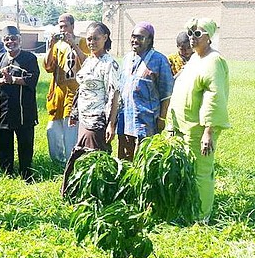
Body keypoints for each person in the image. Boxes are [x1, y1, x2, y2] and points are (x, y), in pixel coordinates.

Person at [166, 18, 230, 222]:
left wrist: (208, 132)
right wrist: (171, 124)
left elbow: (215, 97)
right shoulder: (195, 59)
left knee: (200, 174)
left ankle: (201, 217)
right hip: (182, 127)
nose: (192, 38)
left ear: (209, 38)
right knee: (184, 172)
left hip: (199, 131)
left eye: (197, 34)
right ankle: (186, 209)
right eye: (190, 33)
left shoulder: (214, 61)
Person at [62, 22, 120, 194]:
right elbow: (85, 65)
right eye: (88, 39)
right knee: (83, 158)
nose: (92, 42)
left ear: (105, 38)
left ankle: (97, 195)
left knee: (95, 159)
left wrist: (111, 124)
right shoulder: (91, 60)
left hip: (97, 120)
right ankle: (80, 193)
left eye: (95, 38)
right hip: (84, 119)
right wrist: (75, 113)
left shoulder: (110, 64)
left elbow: (114, 95)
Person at [0, 26, 40, 181]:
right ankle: (7, 173)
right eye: (7, 39)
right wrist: (2, 81)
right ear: (3, 41)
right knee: (3, 145)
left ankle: (26, 174)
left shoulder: (29, 58)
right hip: (3, 110)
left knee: (25, 145)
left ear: (20, 40)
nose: (10, 42)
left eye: (13, 38)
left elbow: (32, 80)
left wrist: (14, 80)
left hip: (24, 111)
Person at [116, 22, 174, 161]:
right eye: (133, 36)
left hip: (147, 120)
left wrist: (162, 118)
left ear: (149, 40)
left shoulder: (159, 60)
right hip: (125, 117)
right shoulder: (127, 59)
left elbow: (166, 93)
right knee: (125, 156)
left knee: (144, 156)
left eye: (140, 37)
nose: (135, 40)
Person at [43, 13, 89, 165]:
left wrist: (73, 45)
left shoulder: (82, 42)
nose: (62, 30)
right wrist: (50, 46)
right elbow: (48, 67)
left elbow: (87, 64)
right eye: (60, 26)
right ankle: (57, 162)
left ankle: (71, 164)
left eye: (65, 26)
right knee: (52, 131)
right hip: (57, 95)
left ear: (72, 26)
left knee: (70, 133)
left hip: (73, 94)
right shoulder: (57, 45)